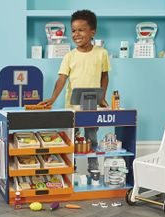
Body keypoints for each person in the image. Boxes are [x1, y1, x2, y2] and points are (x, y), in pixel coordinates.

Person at [39, 9, 111, 172]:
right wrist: (52, 98)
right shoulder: (69, 56)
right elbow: (62, 79)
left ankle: (93, 169)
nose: (76, 34)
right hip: (72, 108)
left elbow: (104, 76)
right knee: (71, 139)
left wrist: (102, 97)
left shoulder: (102, 53)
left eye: (81, 30)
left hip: (91, 105)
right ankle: (72, 169)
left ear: (92, 32)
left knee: (91, 138)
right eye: (73, 30)